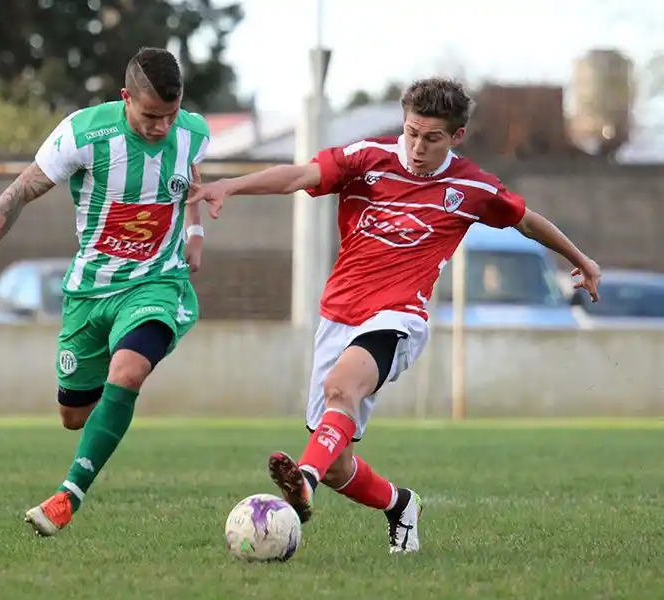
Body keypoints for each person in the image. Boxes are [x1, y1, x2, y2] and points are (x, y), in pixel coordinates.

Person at [187, 77, 602, 554]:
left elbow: (527, 220)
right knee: (340, 463)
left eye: (432, 138)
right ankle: (400, 504)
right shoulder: (366, 158)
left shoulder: (471, 186)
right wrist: (232, 185)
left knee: (341, 388)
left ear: (456, 137)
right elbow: (300, 176)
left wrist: (582, 260)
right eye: (411, 132)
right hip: (339, 314)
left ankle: (304, 479)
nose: (418, 147)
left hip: (399, 315)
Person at [0, 47, 210, 536]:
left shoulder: (193, 131)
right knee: (73, 414)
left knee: (127, 373)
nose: (162, 128)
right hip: (89, 293)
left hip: (156, 281)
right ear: (125, 97)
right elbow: (17, 192)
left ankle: (69, 495)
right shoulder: (84, 133)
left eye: (170, 116)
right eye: (151, 116)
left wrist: (195, 233)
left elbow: (191, 175)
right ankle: (103, 424)